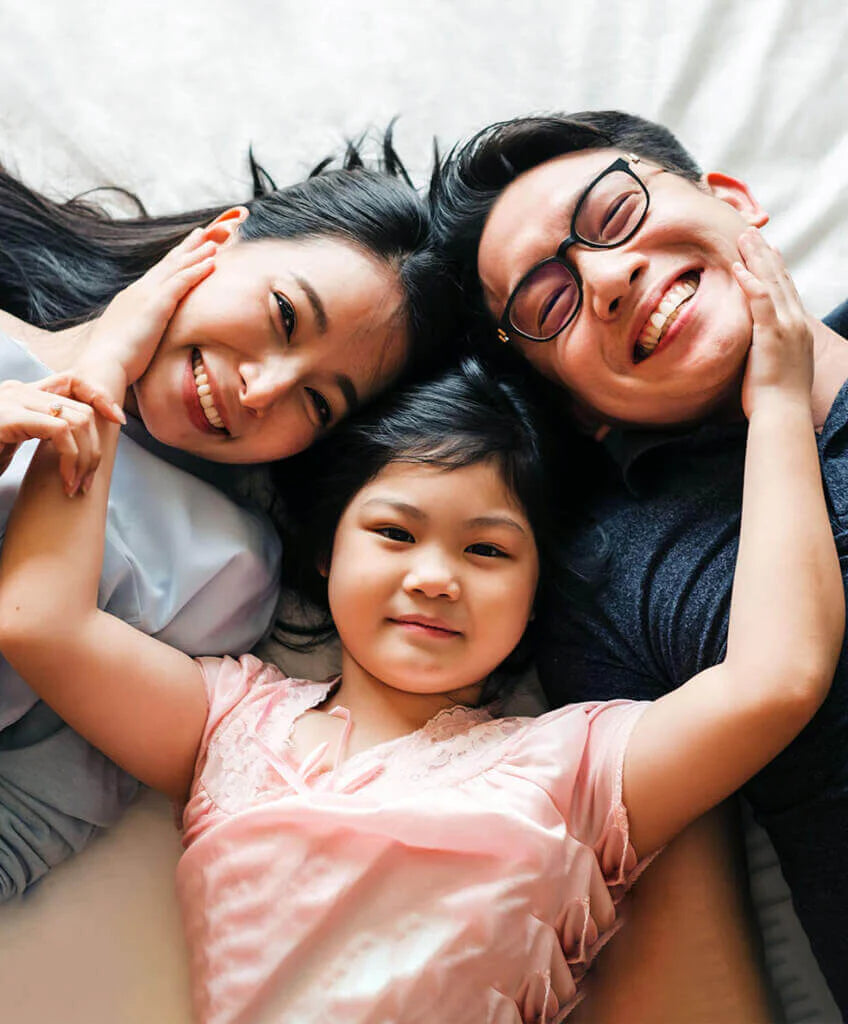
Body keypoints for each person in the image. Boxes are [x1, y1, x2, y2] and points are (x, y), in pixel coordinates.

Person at [0, 230, 839, 1024]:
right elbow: (40, 620)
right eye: (394, 534)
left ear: (535, 593)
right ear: (327, 554)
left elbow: (775, 678)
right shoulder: (229, 722)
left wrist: (776, 405)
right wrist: (103, 367)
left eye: (487, 550)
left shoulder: (577, 767)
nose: (434, 578)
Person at [432, 108, 848, 1011]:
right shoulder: (607, 582)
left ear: (733, 201)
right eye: (550, 303)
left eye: (615, 214)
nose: (609, 277)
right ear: (581, 406)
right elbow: (688, 964)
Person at [0, 133, 453, 898]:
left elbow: (18, 830)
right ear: (215, 243)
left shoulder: (223, 574)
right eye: (283, 314)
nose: (261, 389)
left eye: (317, 401)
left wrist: (101, 378)